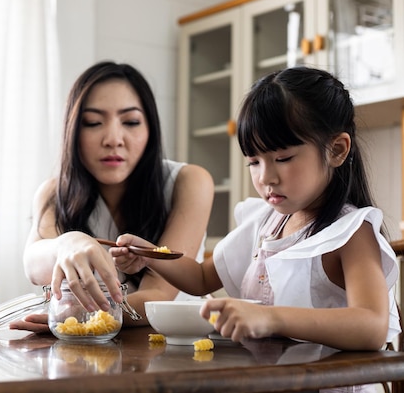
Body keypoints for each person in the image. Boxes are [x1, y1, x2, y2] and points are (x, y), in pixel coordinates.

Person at [114, 66, 400, 353]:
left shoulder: (350, 231)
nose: (265, 177)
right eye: (254, 162)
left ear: (336, 150)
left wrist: (270, 317)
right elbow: (201, 278)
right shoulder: (266, 223)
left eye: (283, 158)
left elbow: (372, 325)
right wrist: (149, 255)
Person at [14, 61, 214, 331]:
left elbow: (158, 296)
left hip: (179, 346)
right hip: (91, 353)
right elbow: (33, 266)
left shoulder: (189, 182)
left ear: (150, 129)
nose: (113, 138)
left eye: (130, 122)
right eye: (94, 122)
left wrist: (72, 318)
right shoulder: (54, 192)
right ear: (73, 131)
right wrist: (67, 244)